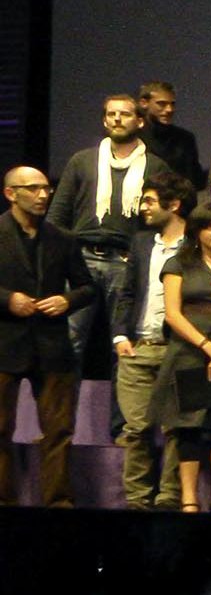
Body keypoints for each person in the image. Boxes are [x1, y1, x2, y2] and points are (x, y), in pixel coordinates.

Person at [47, 94, 173, 362]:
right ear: (104, 120)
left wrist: (141, 254)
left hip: (126, 261)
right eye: (111, 114)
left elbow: (164, 219)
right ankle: (63, 406)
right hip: (81, 258)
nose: (117, 119)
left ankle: (122, 406)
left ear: (140, 121)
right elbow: (58, 212)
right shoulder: (82, 161)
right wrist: (58, 258)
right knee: (70, 340)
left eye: (125, 114)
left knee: (123, 343)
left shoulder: (155, 165)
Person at [0, 166, 95, 507]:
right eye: (34, 189)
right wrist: (7, 299)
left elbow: (87, 286)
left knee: (58, 432)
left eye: (46, 188)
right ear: (11, 193)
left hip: (52, 346)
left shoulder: (62, 238)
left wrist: (67, 300)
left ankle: (57, 504)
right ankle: (4, 503)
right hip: (5, 342)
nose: (43, 195)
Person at [152, 203, 211, 513]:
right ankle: (189, 501)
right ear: (197, 232)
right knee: (189, 428)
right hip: (189, 353)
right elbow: (173, 314)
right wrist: (209, 347)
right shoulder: (178, 264)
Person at [110, 171, 192, 510]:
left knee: (175, 427)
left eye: (149, 201)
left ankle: (169, 497)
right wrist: (119, 336)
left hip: (176, 348)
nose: (143, 208)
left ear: (173, 205)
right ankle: (138, 502)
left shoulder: (196, 244)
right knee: (136, 428)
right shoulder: (142, 242)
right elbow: (127, 292)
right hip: (138, 347)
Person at [137, 81, 205, 187]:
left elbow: (193, 180)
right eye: (161, 104)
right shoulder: (133, 138)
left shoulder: (185, 139)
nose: (169, 109)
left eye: (172, 104)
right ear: (144, 103)